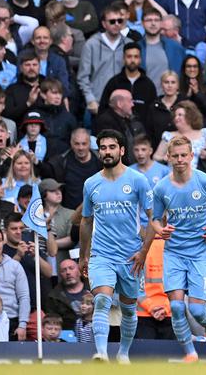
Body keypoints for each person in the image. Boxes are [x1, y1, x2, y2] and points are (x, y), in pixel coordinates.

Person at [149, 135, 206, 361]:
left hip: (200, 253)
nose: (179, 160)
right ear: (168, 157)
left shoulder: (205, 181)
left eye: (184, 155)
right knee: (175, 307)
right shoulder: (161, 187)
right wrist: (159, 229)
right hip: (174, 252)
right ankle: (190, 354)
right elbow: (154, 218)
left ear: (192, 156)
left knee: (195, 310)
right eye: (175, 156)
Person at [79, 129, 156, 363]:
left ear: (121, 150)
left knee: (129, 309)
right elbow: (86, 220)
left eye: (112, 147)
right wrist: (84, 256)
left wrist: (143, 252)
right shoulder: (91, 184)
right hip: (102, 254)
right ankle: (101, 353)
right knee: (101, 299)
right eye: (103, 147)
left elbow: (154, 219)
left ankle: (123, 354)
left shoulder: (137, 180)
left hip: (131, 256)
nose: (107, 152)